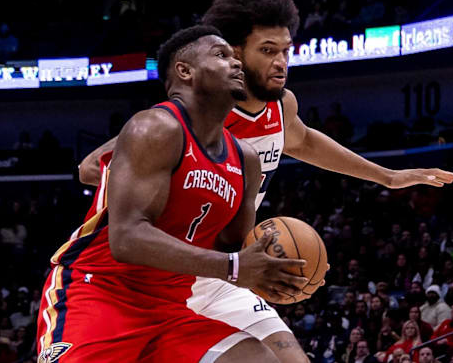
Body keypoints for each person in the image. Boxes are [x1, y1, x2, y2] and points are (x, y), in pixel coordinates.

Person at [78, 0, 453, 363]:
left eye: (285, 51)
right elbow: (91, 167)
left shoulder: (281, 106)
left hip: (226, 270)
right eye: (268, 51)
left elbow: (306, 142)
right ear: (236, 55)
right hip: (170, 268)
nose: (281, 62)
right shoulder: (202, 118)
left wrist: (387, 177)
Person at [36, 25, 308, 363]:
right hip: (99, 294)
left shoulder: (246, 160)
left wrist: (275, 271)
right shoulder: (154, 127)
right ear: (185, 71)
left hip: (172, 308)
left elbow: (233, 251)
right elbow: (127, 238)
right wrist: (235, 266)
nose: (236, 63)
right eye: (222, 55)